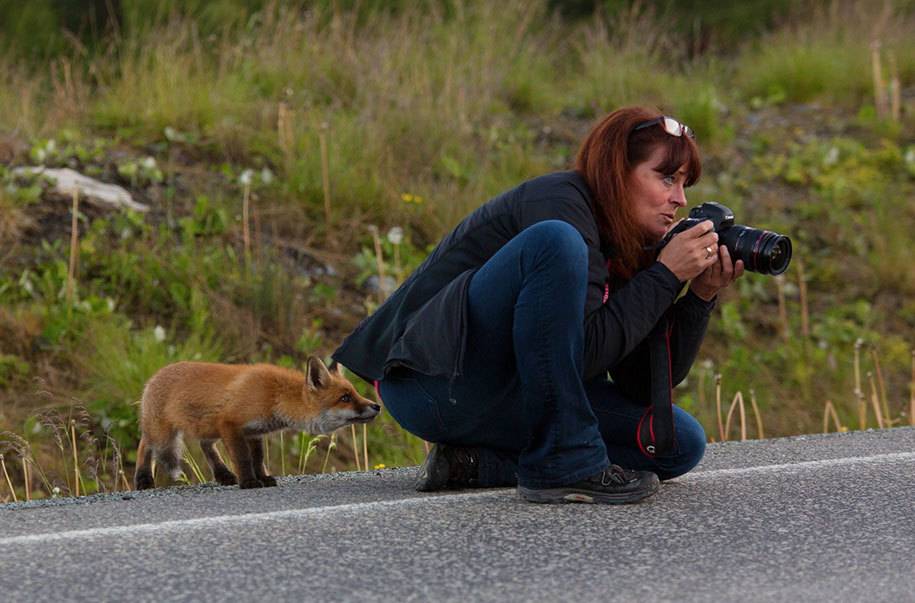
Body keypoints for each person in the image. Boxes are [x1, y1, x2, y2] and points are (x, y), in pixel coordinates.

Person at [332, 106, 744, 504]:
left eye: (685, 184)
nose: (679, 199)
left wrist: (698, 297)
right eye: (667, 178)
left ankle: (475, 465)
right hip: (434, 384)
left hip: (515, 392)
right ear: (617, 174)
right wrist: (664, 276)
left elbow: (639, 384)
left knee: (673, 442)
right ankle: (565, 463)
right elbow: (581, 355)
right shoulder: (559, 202)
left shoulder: (625, 239)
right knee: (555, 240)